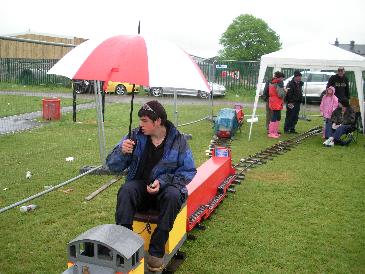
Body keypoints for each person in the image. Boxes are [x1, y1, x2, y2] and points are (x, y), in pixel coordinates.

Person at [106, 100, 196, 272]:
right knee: (126, 190)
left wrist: (162, 182)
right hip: (140, 189)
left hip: (165, 191)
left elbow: (188, 171)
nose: (141, 125)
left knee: (173, 195)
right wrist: (121, 152)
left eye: (145, 121)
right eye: (140, 120)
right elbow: (113, 166)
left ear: (158, 121)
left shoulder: (178, 140)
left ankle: (156, 250)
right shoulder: (134, 136)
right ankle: (125, 244)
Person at [268, 71, 286, 138]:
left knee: (277, 116)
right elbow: (280, 94)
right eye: (283, 78)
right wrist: (285, 91)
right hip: (277, 101)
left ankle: (275, 132)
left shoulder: (272, 81)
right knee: (275, 117)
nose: (283, 79)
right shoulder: (279, 83)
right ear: (280, 77)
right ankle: (271, 133)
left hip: (273, 101)